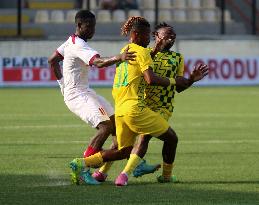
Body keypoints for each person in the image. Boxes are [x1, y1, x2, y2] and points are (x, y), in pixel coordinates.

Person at [69, 16, 200, 186]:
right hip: (135, 108)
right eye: (147, 36)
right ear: (137, 35)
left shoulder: (125, 50)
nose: (148, 40)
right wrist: (175, 81)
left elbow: (141, 63)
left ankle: (81, 163)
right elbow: (150, 79)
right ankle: (157, 175)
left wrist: (156, 51)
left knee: (123, 151)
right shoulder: (143, 51)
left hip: (120, 109)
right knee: (171, 138)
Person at [48, 10, 136, 185]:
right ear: (79, 25)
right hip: (77, 95)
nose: (92, 30)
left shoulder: (70, 41)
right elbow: (98, 63)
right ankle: (83, 168)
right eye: (89, 26)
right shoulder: (79, 45)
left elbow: (52, 60)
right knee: (105, 127)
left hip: (84, 91)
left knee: (117, 127)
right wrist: (120, 57)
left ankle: (106, 169)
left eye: (94, 26)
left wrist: (62, 85)